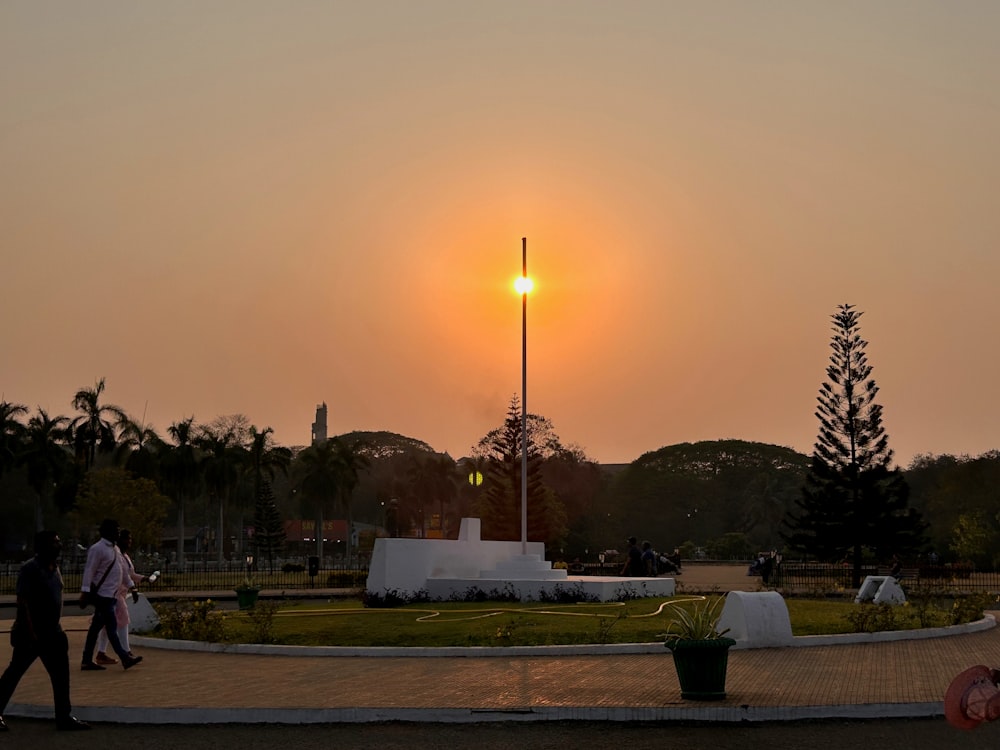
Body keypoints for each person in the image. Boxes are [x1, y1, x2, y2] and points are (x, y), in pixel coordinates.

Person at [0, 531, 90, 731]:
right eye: (54, 542)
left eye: (59, 542)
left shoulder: (55, 568)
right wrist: (31, 633)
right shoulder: (30, 569)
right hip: (32, 633)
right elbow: (22, 603)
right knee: (13, 674)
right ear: (42, 546)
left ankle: (63, 717)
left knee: (61, 677)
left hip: (54, 633)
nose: (58, 545)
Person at [80, 519, 142, 671]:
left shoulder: (115, 549)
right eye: (116, 530)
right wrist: (85, 592)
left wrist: (132, 587)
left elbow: (123, 571)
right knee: (112, 627)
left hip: (112, 595)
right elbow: (90, 571)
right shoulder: (98, 549)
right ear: (107, 532)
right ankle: (124, 657)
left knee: (96, 628)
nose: (118, 533)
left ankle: (87, 660)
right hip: (102, 596)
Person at [95, 529, 146, 665]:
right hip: (113, 592)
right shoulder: (116, 554)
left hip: (118, 593)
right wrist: (133, 588)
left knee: (107, 624)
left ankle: (101, 653)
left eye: (130, 539)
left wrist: (144, 579)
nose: (129, 542)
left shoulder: (125, 556)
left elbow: (130, 575)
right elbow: (124, 575)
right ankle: (126, 652)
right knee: (123, 618)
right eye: (126, 539)